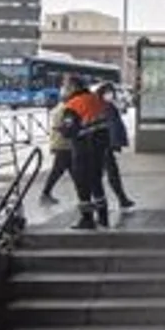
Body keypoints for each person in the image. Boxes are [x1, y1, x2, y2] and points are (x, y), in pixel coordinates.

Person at [56, 82, 112, 229]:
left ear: (74, 88)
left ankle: (87, 219)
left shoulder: (72, 105)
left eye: (66, 87)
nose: (64, 90)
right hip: (99, 148)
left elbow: (70, 130)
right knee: (96, 182)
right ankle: (103, 217)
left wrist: (61, 129)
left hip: (83, 149)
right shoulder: (96, 99)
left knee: (82, 185)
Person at [37, 79, 78, 205]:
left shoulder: (60, 107)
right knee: (60, 171)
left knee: (70, 172)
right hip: (64, 144)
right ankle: (45, 194)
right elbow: (67, 127)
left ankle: (83, 195)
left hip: (62, 144)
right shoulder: (66, 109)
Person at [98, 83, 136, 209]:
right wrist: (115, 143)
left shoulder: (105, 105)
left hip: (103, 144)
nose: (111, 94)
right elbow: (113, 126)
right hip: (103, 145)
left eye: (112, 92)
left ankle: (121, 199)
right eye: (109, 92)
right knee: (110, 173)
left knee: (108, 173)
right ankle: (120, 199)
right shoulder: (106, 106)